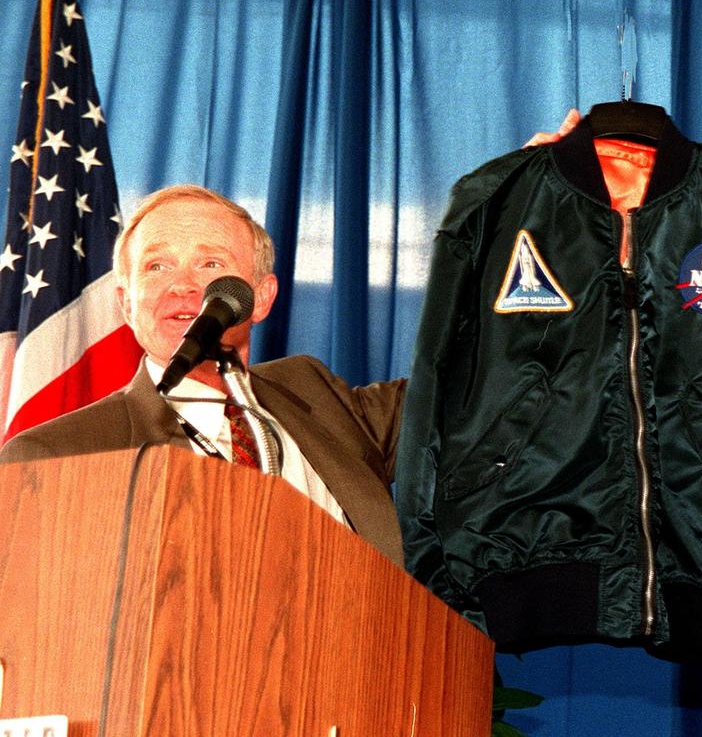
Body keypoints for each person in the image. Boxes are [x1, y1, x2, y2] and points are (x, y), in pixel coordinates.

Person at [0, 185, 405, 564]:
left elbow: (459, 385)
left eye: (211, 263)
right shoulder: (57, 455)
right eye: (157, 265)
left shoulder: (315, 391)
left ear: (260, 297)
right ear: (126, 304)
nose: (182, 285)